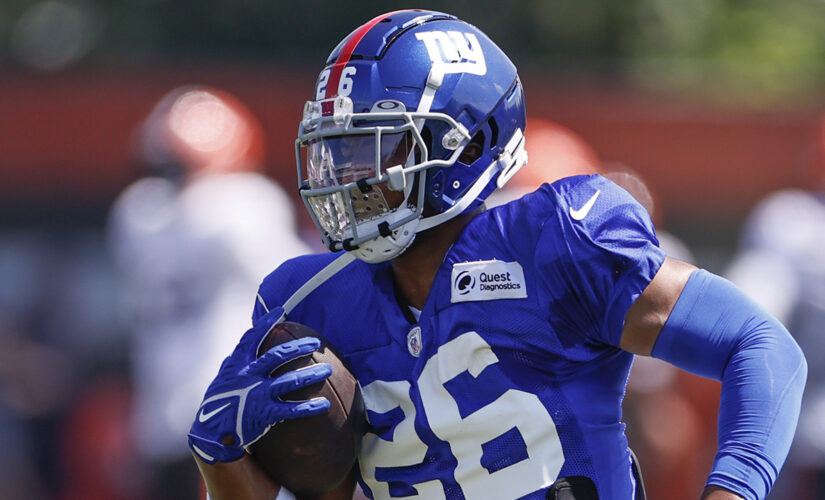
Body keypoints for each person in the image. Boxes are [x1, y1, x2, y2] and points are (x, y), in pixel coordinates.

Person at [187, 10, 806, 500]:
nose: (347, 179)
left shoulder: (554, 242)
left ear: (469, 142)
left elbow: (760, 343)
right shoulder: (305, 301)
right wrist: (224, 462)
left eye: (372, 150)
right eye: (337, 154)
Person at [108, 85, 310, 499]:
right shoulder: (240, 203)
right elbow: (299, 290)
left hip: (157, 419)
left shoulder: (134, 215)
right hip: (226, 411)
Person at [725, 115, 825, 500]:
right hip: (807, 443)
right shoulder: (794, 220)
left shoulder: (792, 221)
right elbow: (755, 307)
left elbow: (747, 318)